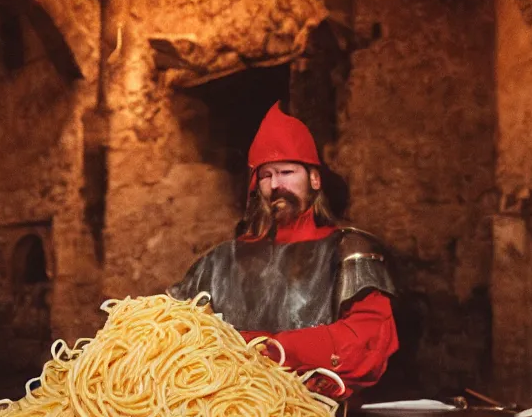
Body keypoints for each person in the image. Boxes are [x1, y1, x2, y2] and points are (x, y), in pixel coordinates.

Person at [169, 102, 398, 401]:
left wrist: (261, 348)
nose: (276, 185)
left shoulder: (349, 250)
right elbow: (171, 333)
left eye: (287, 172)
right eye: (266, 175)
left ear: (314, 179)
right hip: (221, 414)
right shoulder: (218, 261)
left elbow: (368, 341)